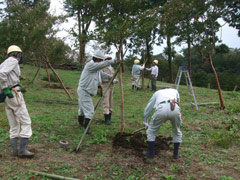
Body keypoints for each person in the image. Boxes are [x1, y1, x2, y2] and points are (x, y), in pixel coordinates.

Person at [0, 45, 34, 158]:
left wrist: (15, 86)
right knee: (26, 121)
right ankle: (22, 150)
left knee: (14, 123)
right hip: (13, 94)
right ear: (17, 54)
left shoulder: (5, 62)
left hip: (8, 96)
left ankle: (15, 149)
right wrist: (5, 88)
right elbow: (1, 75)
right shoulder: (13, 61)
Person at [77, 50, 115, 134]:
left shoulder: (96, 68)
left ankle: (80, 122)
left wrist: (111, 78)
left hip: (85, 90)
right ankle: (86, 128)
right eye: (101, 60)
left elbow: (102, 74)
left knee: (83, 109)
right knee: (90, 110)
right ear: (97, 59)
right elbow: (102, 65)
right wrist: (112, 61)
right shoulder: (90, 65)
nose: (102, 62)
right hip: (84, 91)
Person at [143, 87, 182, 159]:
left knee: (151, 131)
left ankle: (151, 153)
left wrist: (145, 121)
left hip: (161, 108)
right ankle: (176, 154)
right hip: (174, 107)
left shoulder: (157, 93)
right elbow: (178, 103)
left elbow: (149, 107)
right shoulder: (175, 91)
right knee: (177, 131)